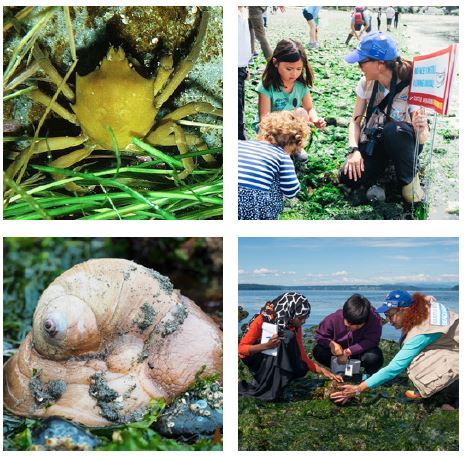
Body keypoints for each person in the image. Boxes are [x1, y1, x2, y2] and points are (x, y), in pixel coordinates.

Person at [331, 291, 459, 410]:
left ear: (404, 310)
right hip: (452, 346)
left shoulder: (424, 329)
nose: (389, 321)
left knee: (416, 361)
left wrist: (359, 388)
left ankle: (449, 398)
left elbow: (394, 368)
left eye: (390, 315)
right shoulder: (423, 307)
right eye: (386, 315)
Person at [340, 32, 429, 203]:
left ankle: (410, 183)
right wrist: (354, 150)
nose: (359, 66)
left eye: (361, 62)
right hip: (376, 143)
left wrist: (420, 127)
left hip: (404, 141)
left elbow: (422, 138)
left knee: (393, 129)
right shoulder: (366, 82)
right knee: (348, 177)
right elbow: (355, 121)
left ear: (380, 63)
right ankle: (387, 172)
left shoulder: (412, 83)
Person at [239, 292, 342, 401]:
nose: (303, 321)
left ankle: (280, 379)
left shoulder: (294, 325)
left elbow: (301, 354)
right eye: (301, 318)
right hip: (255, 358)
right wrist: (266, 346)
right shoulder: (261, 320)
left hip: (272, 353)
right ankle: (270, 385)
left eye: (305, 318)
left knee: (291, 345)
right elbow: (241, 349)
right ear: (290, 311)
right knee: (287, 336)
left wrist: (323, 371)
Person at [238, 111, 309, 220]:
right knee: (276, 182)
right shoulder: (283, 156)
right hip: (256, 204)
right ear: (293, 145)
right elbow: (291, 191)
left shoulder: (241, 144)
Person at [258, 39, 326, 130]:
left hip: (291, 127)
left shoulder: (301, 86)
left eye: (299, 69)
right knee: (299, 112)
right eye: (289, 69)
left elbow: (309, 109)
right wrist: (287, 118)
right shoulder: (266, 87)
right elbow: (264, 119)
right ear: (275, 62)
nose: (294, 74)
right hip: (270, 128)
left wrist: (315, 119)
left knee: (302, 112)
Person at [313, 294, 384, 375]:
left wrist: (348, 352)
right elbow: (320, 336)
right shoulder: (333, 319)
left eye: (358, 325)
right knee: (318, 351)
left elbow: (372, 340)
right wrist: (331, 344)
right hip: (338, 354)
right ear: (344, 315)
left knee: (374, 357)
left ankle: (367, 375)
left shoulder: (374, 319)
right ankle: (338, 369)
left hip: (361, 353)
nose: (353, 328)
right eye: (349, 324)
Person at [238, 7, 252, 140]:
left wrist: (246, 66)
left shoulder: (243, 10)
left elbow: (244, 41)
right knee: (237, 111)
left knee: (240, 108)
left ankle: (241, 138)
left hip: (241, 68)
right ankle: (240, 140)